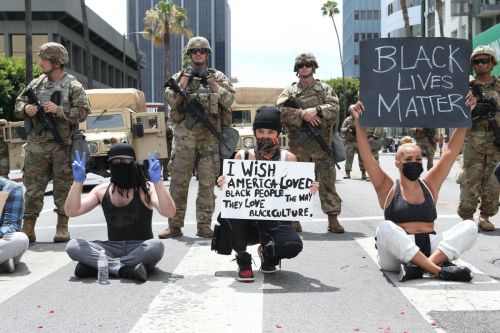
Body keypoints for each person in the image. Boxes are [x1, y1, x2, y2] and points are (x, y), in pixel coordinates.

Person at [349, 92, 479, 282]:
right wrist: (358, 122)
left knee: (469, 227)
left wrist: (464, 114)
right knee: (385, 228)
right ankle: (438, 270)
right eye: (408, 159)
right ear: (397, 163)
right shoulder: (387, 187)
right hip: (396, 254)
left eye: (418, 159)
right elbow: (367, 156)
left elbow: (450, 152)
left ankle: (420, 268)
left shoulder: (430, 185)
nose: (414, 162)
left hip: (428, 247)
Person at [216, 106, 317, 282]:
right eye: (260, 131)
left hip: (274, 220)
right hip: (247, 222)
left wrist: (308, 191)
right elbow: (232, 195)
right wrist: (224, 184)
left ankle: (268, 253)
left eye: (270, 132)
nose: (265, 136)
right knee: (228, 215)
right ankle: (243, 258)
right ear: (255, 133)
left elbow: (294, 196)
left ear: (277, 134)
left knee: (292, 246)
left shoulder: (288, 158)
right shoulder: (243, 156)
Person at [64, 143, 176, 282]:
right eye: (116, 162)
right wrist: (78, 181)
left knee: (156, 246)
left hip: (140, 247)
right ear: (110, 165)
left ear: (134, 163)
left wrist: (158, 182)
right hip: (111, 247)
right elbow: (71, 211)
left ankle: (100, 265)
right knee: (73, 246)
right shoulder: (101, 190)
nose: (121, 164)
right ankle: (124, 269)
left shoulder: (146, 188)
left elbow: (169, 212)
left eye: (125, 161)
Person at [159, 36, 235, 239]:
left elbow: (229, 101)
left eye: (202, 50)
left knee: (207, 183)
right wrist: (185, 78)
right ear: (189, 55)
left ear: (208, 54)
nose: (198, 54)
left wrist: (211, 82)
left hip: (209, 139)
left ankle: (204, 225)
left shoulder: (218, 76)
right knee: (178, 183)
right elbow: (173, 102)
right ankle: (174, 225)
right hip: (184, 139)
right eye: (194, 51)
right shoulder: (179, 77)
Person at [14, 42, 91, 243]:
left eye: (44, 59)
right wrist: (26, 108)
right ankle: (28, 228)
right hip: (36, 147)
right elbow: (18, 103)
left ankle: (62, 227)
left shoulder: (73, 86)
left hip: (61, 147)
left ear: (56, 62)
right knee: (32, 190)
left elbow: (83, 113)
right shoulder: (36, 84)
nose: (40, 63)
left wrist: (59, 111)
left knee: (63, 189)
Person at [277, 52, 344, 233]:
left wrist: (316, 110)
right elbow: (281, 110)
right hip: (298, 147)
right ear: (297, 69)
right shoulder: (290, 91)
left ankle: (333, 220)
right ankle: (294, 219)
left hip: (322, 145)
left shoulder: (324, 89)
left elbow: (335, 108)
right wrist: (302, 115)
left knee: (328, 183)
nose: (304, 67)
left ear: (314, 66)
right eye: (301, 65)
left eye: (308, 64)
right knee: (296, 184)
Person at [458, 45, 500, 232]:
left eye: (485, 60)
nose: (481, 64)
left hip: (496, 142)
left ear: (492, 63)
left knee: (493, 182)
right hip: (472, 141)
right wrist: (473, 111)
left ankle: (485, 216)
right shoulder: (465, 86)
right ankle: (467, 218)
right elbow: (454, 112)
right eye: (477, 61)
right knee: (470, 180)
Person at [341, 109, 383, 180]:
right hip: (353, 141)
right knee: (349, 157)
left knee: (366, 158)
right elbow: (342, 128)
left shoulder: (367, 118)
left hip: (367, 140)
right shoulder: (349, 119)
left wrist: (373, 137)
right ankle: (348, 172)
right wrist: (347, 129)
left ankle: (366, 173)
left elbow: (378, 127)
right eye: (351, 112)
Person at [0, 176, 29, 273]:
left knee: (20, 239)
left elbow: (11, 225)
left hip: (2, 239)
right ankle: (3, 264)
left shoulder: (12, 188)